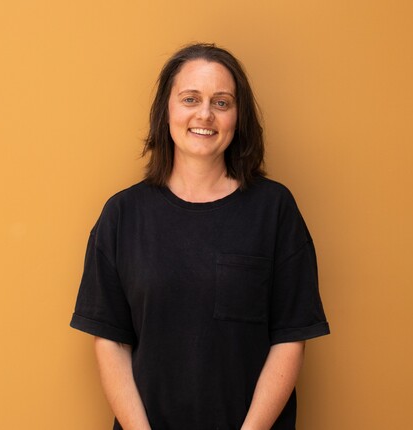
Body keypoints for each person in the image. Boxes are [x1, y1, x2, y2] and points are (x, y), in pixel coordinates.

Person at [70, 43, 330, 430]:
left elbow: (290, 338)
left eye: (221, 102)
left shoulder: (274, 210)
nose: (205, 114)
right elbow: (111, 341)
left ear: (238, 117)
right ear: (166, 109)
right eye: (190, 99)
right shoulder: (123, 214)